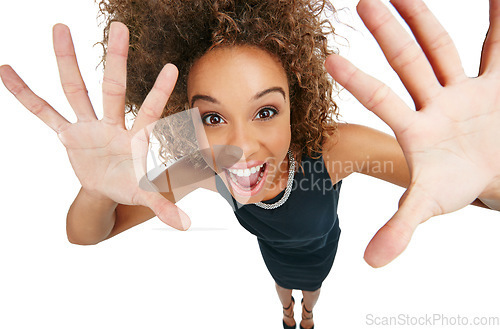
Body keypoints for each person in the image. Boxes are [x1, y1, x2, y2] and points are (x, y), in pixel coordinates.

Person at [1, 0, 499, 328]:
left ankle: (308, 316)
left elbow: (471, 188)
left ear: (296, 108)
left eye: (265, 111)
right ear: (186, 118)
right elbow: (89, 234)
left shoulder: (333, 148)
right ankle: (287, 313)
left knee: (315, 288)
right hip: (275, 252)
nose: (240, 143)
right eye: (212, 116)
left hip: (322, 246)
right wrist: (97, 189)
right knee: (282, 283)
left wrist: (489, 171)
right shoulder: (200, 162)